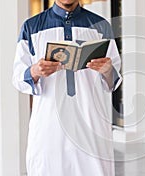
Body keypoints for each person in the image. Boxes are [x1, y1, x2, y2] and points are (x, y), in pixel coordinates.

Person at [12, 0, 122, 175]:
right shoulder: (31, 27)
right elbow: (18, 78)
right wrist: (35, 70)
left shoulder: (101, 26)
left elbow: (113, 82)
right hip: (49, 127)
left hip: (91, 125)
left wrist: (108, 71)